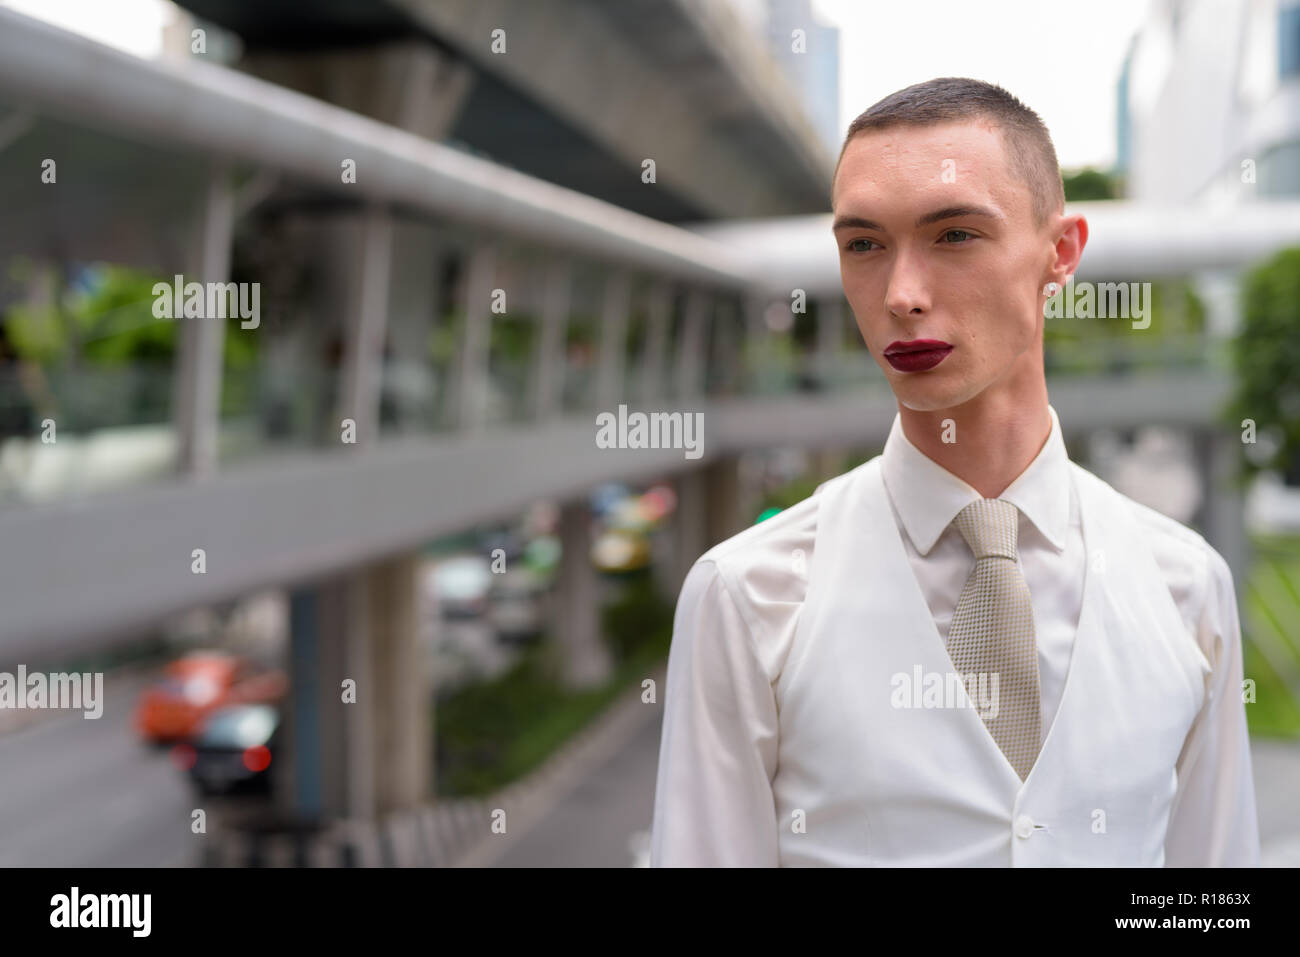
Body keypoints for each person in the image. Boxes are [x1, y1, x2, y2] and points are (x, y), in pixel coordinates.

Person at [649, 77, 1259, 867]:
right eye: (863, 244)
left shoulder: (1186, 589)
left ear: (1060, 253)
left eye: (955, 235)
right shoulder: (748, 595)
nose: (902, 295)